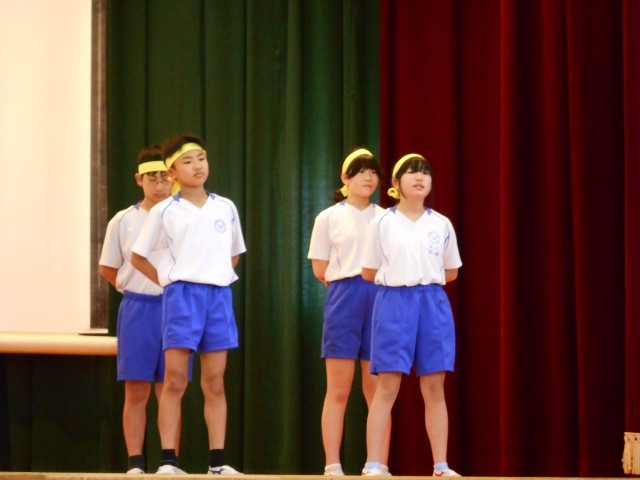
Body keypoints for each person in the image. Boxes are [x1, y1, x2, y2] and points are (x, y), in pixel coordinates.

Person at [131, 133, 246, 475]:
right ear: (172, 172)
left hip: (219, 297)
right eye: (187, 161)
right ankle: (168, 461)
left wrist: (213, 274)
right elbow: (137, 257)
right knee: (175, 380)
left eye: (201, 158)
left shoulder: (225, 207)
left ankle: (217, 463)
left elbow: (234, 255)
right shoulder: (165, 210)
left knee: (215, 382)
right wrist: (169, 282)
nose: (197, 166)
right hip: (182, 297)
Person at [360, 153, 462, 477]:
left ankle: (441, 465)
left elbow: (451, 271)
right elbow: (368, 270)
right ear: (395, 182)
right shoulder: (382, 223)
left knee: (435, 388)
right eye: (411, 172)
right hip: (394, 301)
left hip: (432, 302)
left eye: (425, 173)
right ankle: (374, 463)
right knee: (387, 386)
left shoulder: (441, 223)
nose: (419, 178)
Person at [308, 148, 391, 476]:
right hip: (343, 296)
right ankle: (332, 464)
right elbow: (319, 268)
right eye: (360, 171)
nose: (368, 178)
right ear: (345, 177)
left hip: (381, 297)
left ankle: (377, 463)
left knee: (378, 389)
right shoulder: (328, 217)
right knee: (338, 388)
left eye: (373, 172)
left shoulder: (386, 217)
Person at [99, 144, 179, 474]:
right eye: (152, 178)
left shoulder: (183, 217)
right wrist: (132, 288)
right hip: (138, 309)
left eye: (165, 178)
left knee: (171, 388)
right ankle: (135, 463)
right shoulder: (123, 221)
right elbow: (108, 267)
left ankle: (169, 461)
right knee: (136, 389)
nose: (160, 185)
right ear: (138, 179)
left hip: (175, 309)